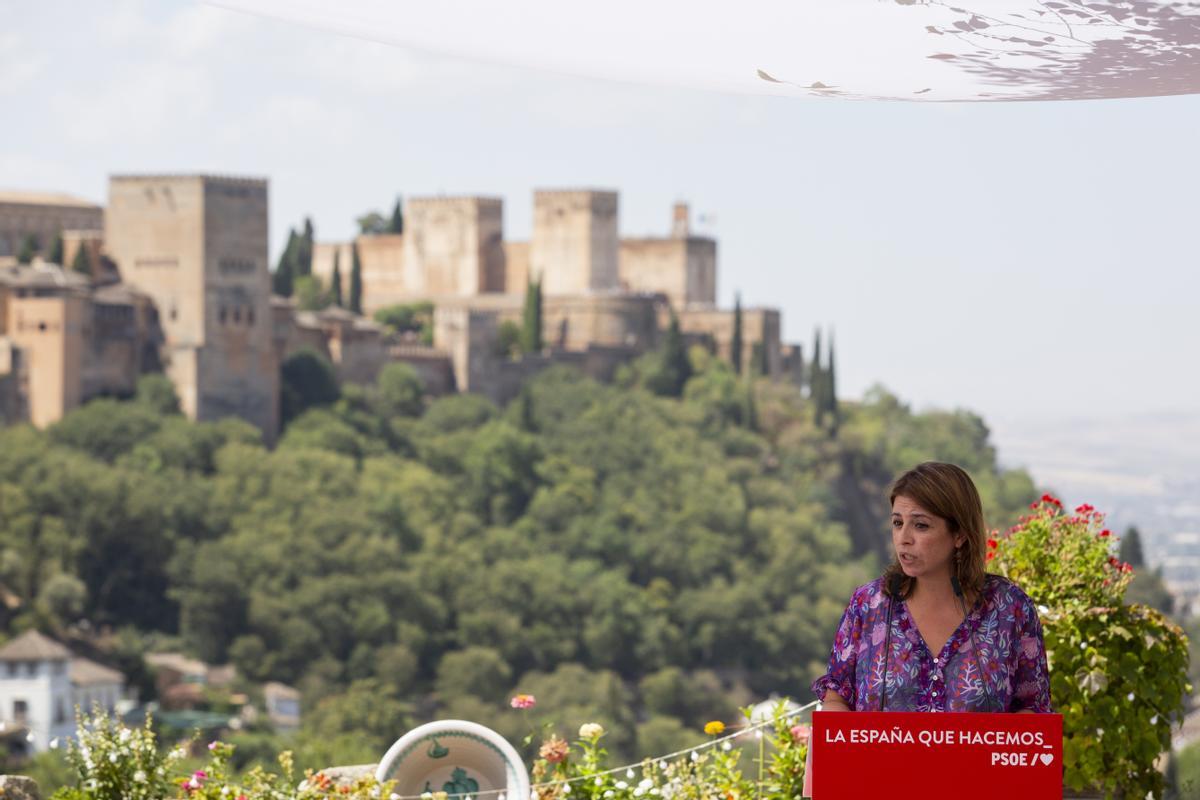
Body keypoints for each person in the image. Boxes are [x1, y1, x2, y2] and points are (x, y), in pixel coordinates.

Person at [811, 461, 1051, 713]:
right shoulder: (869, 604)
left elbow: (1033, 708)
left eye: (920, 525)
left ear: (959, 534)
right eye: (897, 523)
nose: (904, 538)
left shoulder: (1009, 608)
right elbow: (836, 699)